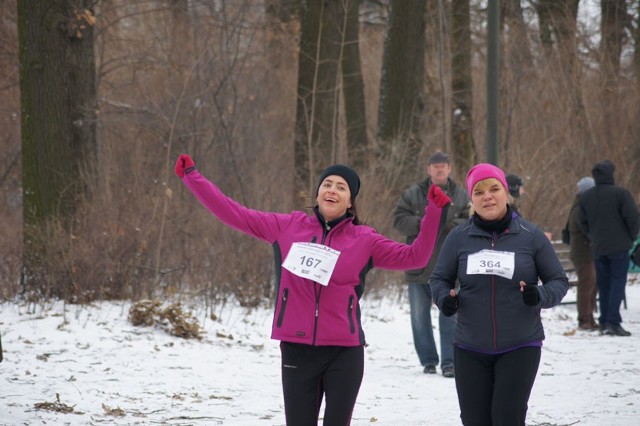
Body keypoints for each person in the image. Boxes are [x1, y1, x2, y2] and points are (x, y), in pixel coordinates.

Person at [174, 154, 451, 425]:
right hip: (297, 349)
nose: (332, 190)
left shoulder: (365, 239)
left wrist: (434, 212)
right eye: (327, 184)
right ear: (318, 193)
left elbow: (416, 257)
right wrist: (192, 177)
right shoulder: (288, 227)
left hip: (344, 352)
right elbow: (235, 214)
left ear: (350, 201)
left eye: (341, 187)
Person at [430, 163, 569, 426]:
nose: (487, 196)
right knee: (474, 420)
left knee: (507, 417)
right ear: (471, 199)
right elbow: (439, 279)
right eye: (479, 192)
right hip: (469, 346)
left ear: (507, 194)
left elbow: (558, 282)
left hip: (520, 345)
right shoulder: (459, 237)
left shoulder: (531, 236)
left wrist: (538, 295)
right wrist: (445, 300)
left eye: (494, 189)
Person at [393, 151, 469, 378]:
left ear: (449, 168)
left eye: (443, 166)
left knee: (450, 317)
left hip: (449, 269)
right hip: (418, 268)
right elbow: (398, 219)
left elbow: (470, 220)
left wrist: (448, 225)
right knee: (419, 318)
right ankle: (428, 361)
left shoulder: (461, 195)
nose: (439, 169)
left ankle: (449, 362)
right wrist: (427, 223)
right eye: (435, 166)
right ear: (428, 169)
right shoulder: (413, 194)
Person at [578, 160, 639, 337]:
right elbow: (633, 218)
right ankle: (613, 321)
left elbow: (582, 222)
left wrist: (592, 236)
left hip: (598, 246)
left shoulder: (587, 197)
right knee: (617, 283)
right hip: (619, 246)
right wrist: (630, 237)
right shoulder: (621, 194)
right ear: (611, 175)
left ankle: (605, 320)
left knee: (604, 284)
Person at [567, 177, 598, 330]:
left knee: (592, 285)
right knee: (586, 286)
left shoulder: (584, 205)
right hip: (582, 253)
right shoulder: (580, 207)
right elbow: (579, 227)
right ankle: (584, 319)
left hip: (588, 252)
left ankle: (589, 317)